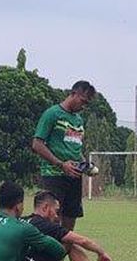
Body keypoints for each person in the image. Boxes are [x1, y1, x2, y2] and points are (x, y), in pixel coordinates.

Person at [30, 80, 97, 231]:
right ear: (73, 94)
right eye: (83, 101)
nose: (83, 106)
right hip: (55, 176)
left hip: (74, 176)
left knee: (69, 227)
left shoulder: (78, 120)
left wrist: (84, 164)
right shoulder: (52, 114)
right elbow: (37, 144)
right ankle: (46, 255)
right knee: (52, 224)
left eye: (87, 104)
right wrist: (61, 164)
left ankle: (62, 254)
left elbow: (74, 148)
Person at [24, 191, 115, 261]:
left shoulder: (23, 220)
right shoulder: (44, 225)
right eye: (56, 211)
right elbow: (82, 241)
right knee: (70, 244)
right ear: (45, 207)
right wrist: (101, 253)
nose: (57, 216)